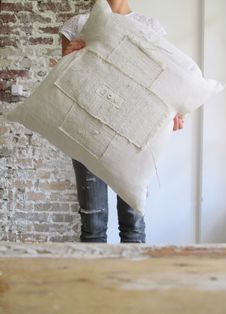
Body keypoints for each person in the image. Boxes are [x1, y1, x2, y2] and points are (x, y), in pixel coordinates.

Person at [59, 0, 184, 244]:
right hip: (88, 134)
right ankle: (94, 283)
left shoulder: (150, 27)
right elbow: (64, 88)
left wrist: (177, 110)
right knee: (93, 227)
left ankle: (130, 282)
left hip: (135, 137)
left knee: (133, 225)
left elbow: (160, 79)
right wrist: (67, 60)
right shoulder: (78, 25)